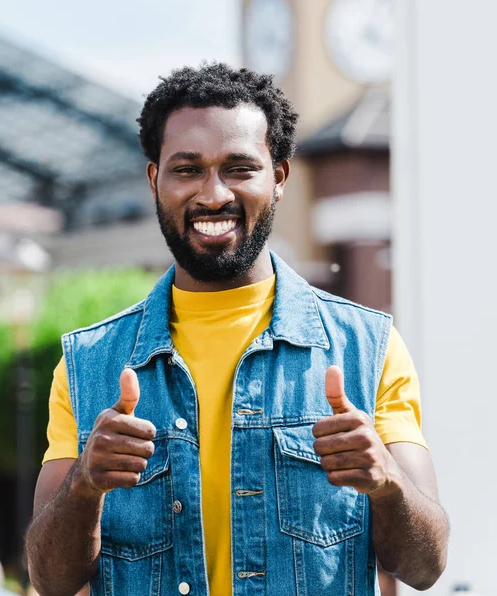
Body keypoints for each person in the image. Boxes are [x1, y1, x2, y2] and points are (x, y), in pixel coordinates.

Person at [26, 63, 449, 596]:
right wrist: (85, 484)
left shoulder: (369, 348)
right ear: (155, 179)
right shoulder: (90, 365)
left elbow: (426, 567)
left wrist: (385, 481)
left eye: (239, 167)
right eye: (187, 170)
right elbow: (50, 581)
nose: (213, 195)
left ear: (279, 177)